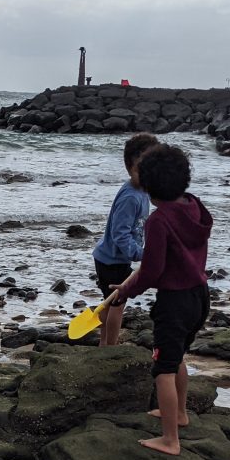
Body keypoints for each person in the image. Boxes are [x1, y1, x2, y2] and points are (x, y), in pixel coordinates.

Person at [112, 143, 212, 456]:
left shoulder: (159, 221)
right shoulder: (194, 206)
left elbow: (153, 272)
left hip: (175, 302)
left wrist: (124, 292)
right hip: (199, 296)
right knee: (176, 355)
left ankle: (170, 439)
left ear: (149, 187)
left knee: (162, 370)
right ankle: (179, 414)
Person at [92, 133, 159, 345]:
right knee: (117, 305)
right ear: (132, 166)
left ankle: (104, 343)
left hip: (112, 259)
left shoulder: (142, 191)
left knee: (109, 302)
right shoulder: (130, 197)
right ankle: (109, 346)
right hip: (112, 261)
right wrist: (140, 254)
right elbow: (119, 234)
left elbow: (141, 225)